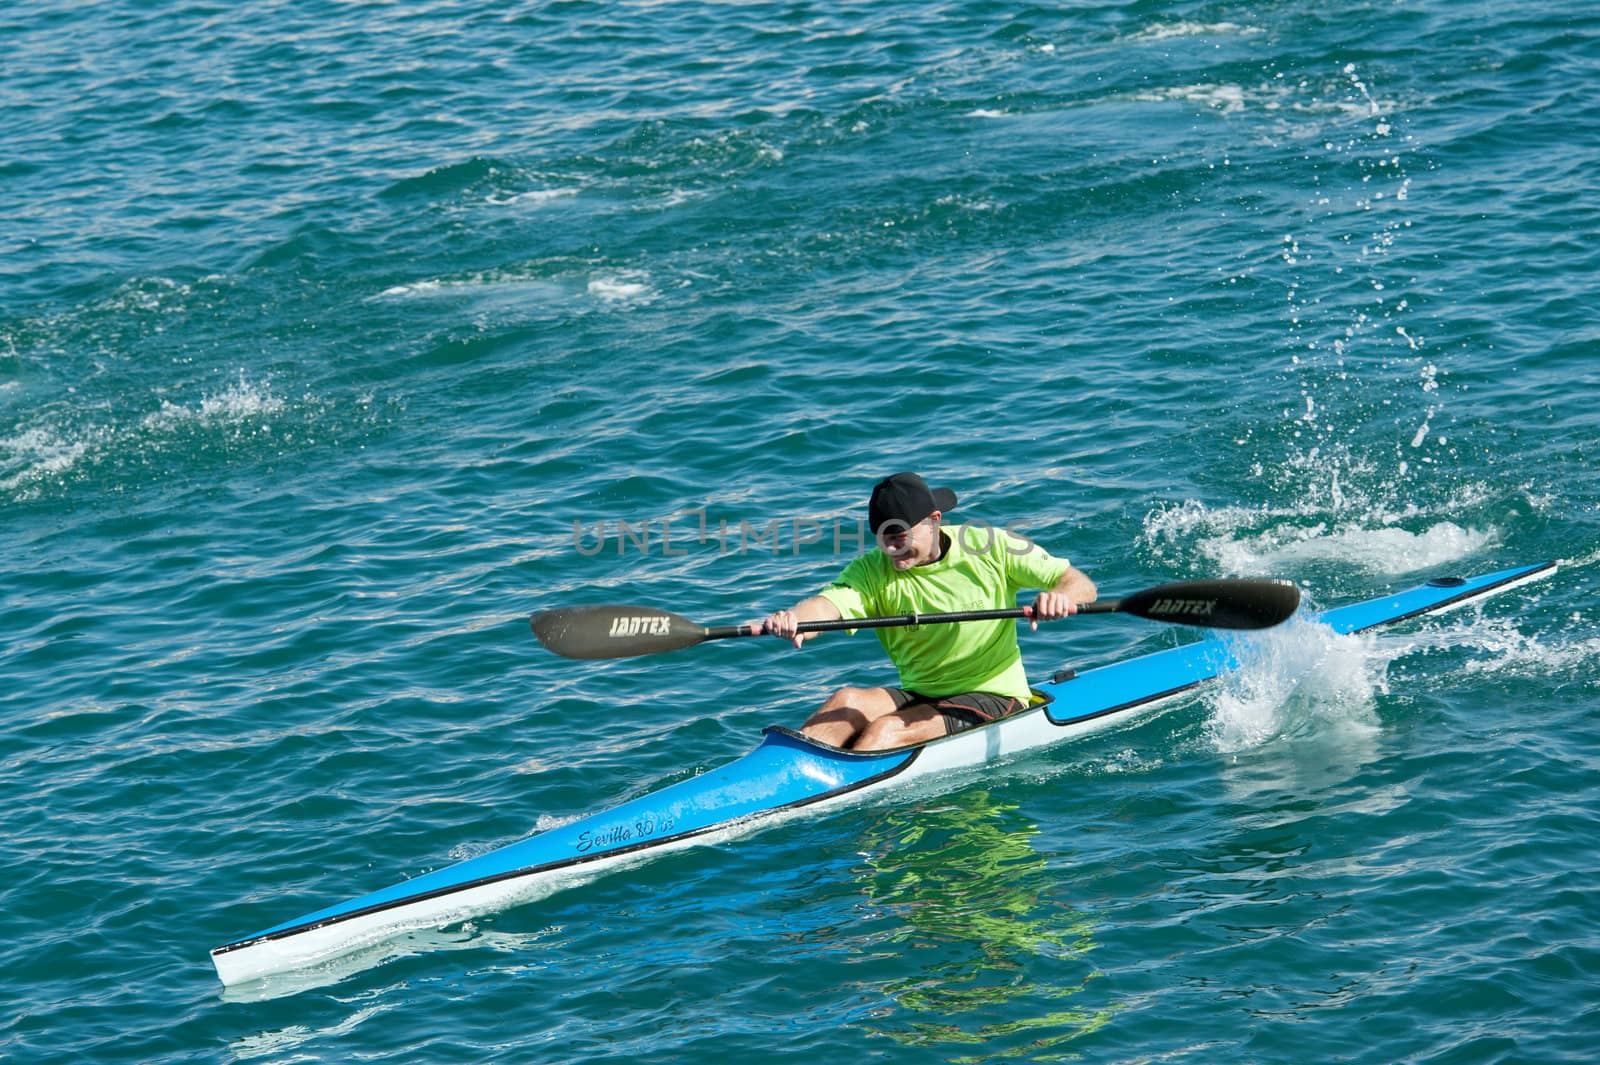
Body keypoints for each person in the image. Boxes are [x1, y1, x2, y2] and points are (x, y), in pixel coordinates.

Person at [760, 472, 1096, 751]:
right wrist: (796, 620)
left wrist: (1059, 598)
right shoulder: (872, 570)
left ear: (934, 521)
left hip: (994, 694)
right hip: (921, 691)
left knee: (885, 732)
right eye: (881, 538)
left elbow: (1078, 583)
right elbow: (828, 604)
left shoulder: (990, 547)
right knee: (845, 702)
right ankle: (780, 778)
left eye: (899, 537)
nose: (890, 549)